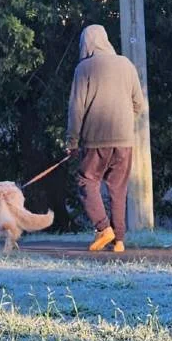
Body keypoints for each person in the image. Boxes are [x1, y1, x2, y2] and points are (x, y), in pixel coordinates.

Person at [65, 24, 145, 252]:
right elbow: (138, 104)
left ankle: (103, 228)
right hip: (124, 141)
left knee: (86, 180)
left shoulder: (84, 68)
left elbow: (76, 109)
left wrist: (72, 142)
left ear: (86, 44)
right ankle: (119, 240)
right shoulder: (126, 65)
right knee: (118, 188)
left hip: (95, 140)